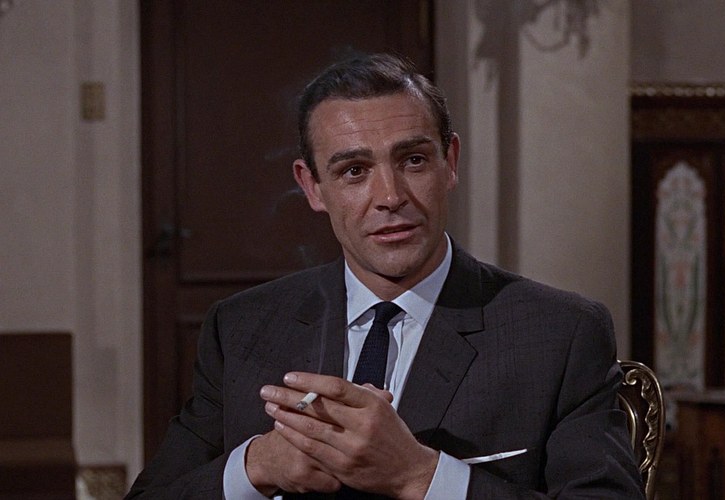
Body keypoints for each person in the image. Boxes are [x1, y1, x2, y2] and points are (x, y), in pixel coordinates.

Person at [127, 53, 644, 499]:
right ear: (312, 187)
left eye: (413, 160)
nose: (391, 196)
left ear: (450, 162)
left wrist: (420, 475)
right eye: (354, 171)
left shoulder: (560, 334)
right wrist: (256, 465)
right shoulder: (243, 329)